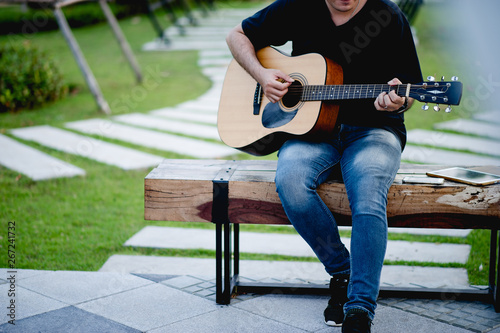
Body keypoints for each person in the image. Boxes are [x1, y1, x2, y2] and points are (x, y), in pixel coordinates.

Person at [226, 0, 422, 332]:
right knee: (289, 180)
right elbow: (236, 36)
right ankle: (342, 270)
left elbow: (411, 89)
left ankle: (360, 306)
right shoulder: (299, 6)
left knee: (368, 190)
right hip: (312, 131)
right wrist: (262, 75)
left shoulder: (387, 16)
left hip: (374, 130)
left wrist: (397, 100)